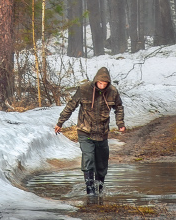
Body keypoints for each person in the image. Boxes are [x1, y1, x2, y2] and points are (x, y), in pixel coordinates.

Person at [54, 66, 126, 196]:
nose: (102, 86)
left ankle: (100, 189)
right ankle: (90, 190)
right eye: (100, 83)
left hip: (102, 133)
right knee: (88, 158)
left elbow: (119, 107)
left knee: (101, 163)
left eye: (105, 84)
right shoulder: (84, 89)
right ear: (96, 81)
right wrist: (60, 122)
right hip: (85, 131)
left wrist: (120, 123)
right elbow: (71, 105)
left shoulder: (113, 92)